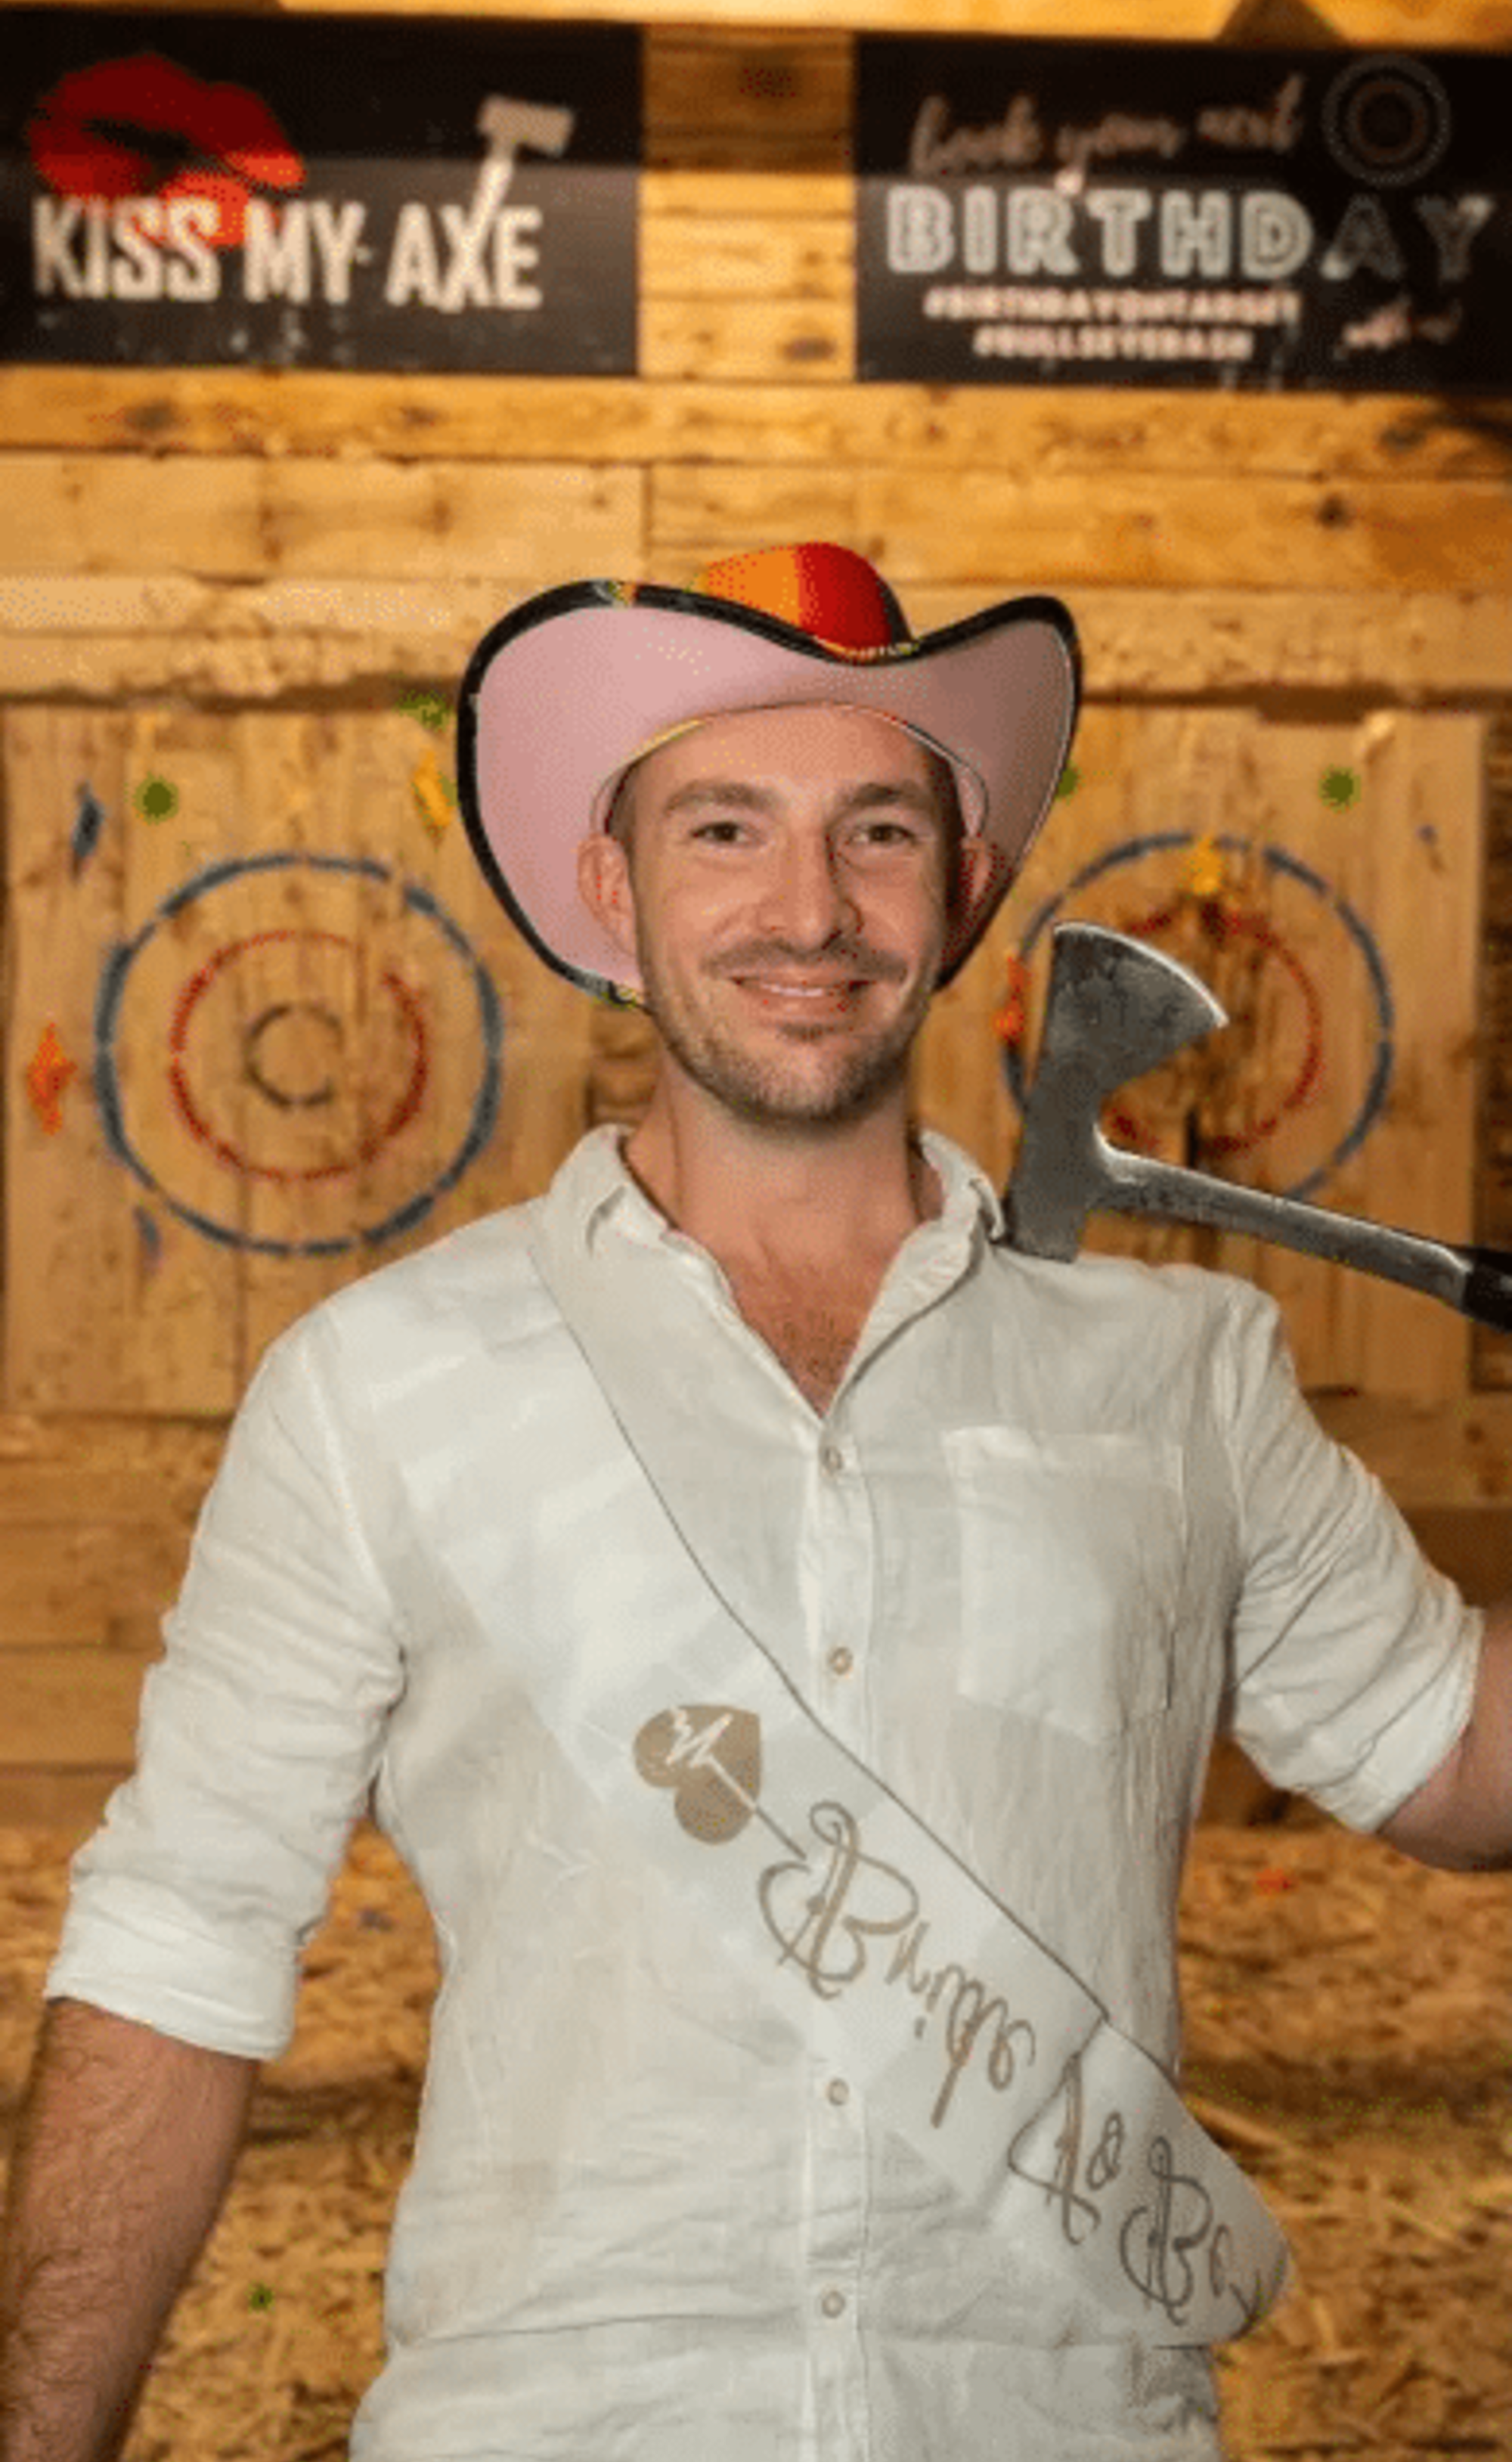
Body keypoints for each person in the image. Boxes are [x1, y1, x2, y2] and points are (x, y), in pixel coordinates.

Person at [0, 541, 1506, 2462]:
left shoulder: (1182, 1373)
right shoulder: (379, 1388)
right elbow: (173, 1953)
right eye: (726, 824)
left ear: (961, 889)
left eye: (877, 828)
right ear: (611, 890)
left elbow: (1453, 1760)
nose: (811, 905)